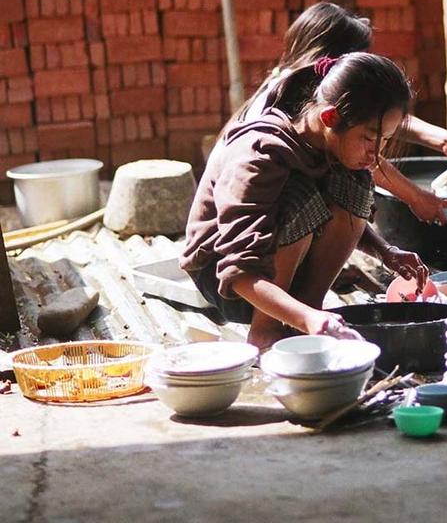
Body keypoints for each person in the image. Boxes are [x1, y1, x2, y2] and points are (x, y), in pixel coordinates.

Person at [180, 53, 429, 350]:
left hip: (274, 275)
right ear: (329, 118)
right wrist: (308, 318)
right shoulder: (258, 156)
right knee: (299, 196)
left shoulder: (327, 141)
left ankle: (307, 313)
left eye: (384, 141)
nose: (376, 154)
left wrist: (386, 252)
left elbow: (337, 209)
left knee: (355, 183)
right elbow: (239, 272)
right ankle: (266, 332)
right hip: (228, 281)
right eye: (368, 138)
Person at [220, 2, 447, 226]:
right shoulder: (292, 101)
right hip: (245, 229)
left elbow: (370, 119)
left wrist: (443, 140)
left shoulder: (294, 82)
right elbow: (363, 154)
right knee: (352, 183)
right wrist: (416, 197)